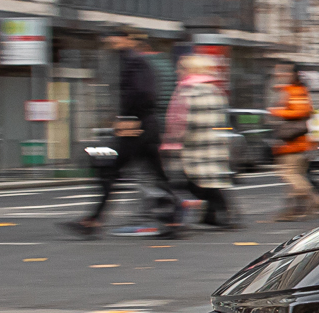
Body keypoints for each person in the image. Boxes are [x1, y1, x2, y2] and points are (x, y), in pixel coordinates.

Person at [71, 29, 176, 236]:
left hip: (136, 128)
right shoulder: (127, 60)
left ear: (127, 39)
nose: (111, 39)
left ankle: (92, 221)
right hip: (143, 127)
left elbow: (144, 94)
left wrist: (128, 117)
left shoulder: (135, 61)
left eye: (115, 36)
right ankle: (174, 221)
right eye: (110, 36)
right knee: (157, 176)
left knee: (110, 172)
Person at [162, 51, 236, 229]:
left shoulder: (190, 89)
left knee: (192, 182)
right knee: (206, 181)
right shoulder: (212, 88)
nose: (177, 71)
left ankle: (224, 214)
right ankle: (213, 215)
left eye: (181, 68)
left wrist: (172, 137)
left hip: (196, 144)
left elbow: (181, 119)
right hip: (211, 143)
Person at [267, 62, 319, 219]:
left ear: (294, 74)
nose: (279, 75)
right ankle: (295, 211)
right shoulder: (286, 90)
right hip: (291, 142)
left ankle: (316, 199)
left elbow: (301, 111)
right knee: (295, 176)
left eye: (284, 72)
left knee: (289, 174)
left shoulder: (296, 91)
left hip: (296, 142)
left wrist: (276, 111)